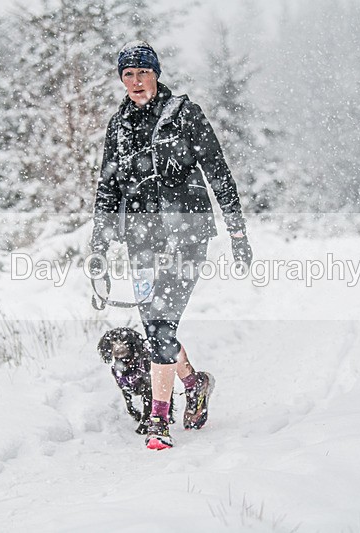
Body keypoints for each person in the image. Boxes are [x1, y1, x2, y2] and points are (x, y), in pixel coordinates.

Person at [89, 41, 252, 450]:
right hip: (141, 241)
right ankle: (194, 385)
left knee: (160, 323)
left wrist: (237, 233)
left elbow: (218, 171)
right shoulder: (119, 125)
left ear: (156, 74)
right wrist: (100, 246)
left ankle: (159, 421)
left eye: (142, 73)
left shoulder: (183, 115)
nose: (136, 81)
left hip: (187, 236)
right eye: (128, 74)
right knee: (156, 326)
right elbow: (108, 188)